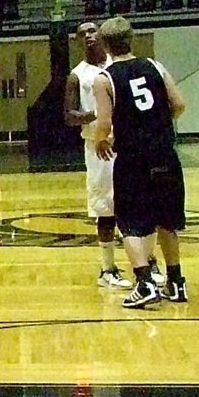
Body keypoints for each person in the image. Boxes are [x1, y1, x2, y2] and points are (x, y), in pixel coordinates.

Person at [92, 16, 187, 309]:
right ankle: (176, 282)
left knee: (130, 223)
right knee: (166, 221)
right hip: (165, 154)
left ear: (106, 45)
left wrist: (100, 140)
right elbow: (179, 104)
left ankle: (144, 282)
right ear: (131, 39)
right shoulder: (155, 66)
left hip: (134, 158)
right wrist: (155, 124)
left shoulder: (104, 78)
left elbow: (104, 122)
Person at [64, 22, 130, 290]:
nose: (88, 36)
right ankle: (107, 269)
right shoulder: (77, 76)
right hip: (97, 147)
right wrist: (95, 115)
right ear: (78, 41)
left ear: (102, 36)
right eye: (83, 34)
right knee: (105, 208)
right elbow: (68, 116)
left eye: (92, 31)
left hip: (126, 142)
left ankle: (146, 263)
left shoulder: (117, 66)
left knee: (135, 204)